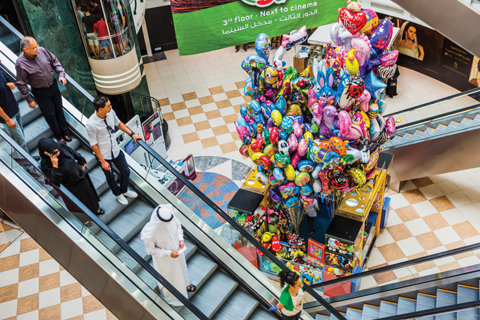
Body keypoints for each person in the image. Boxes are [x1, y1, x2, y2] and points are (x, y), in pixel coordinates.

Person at [15, 36, 72, 144]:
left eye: (36, 46)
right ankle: (58, 136)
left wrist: (61, 74)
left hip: (53, 86)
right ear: (26, 49)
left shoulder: (42, 50)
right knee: (50, 114)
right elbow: (21, 83)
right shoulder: (20, 64)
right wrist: (29, 99)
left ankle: (65, 132)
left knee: (59, 109)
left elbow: (54, 61)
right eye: (34, 48)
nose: (37, 49)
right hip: (40, 91)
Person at [86, 95, 141, 205]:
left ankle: (124, 190)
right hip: (104, 155)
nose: (111, 106)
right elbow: (94, 144)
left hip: (115, 149)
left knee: (125, 171)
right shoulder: (91, 124)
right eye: (108, 105)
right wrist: (102, 161)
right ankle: (117, 194)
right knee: (110, 177)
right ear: (101, 109)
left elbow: (119, 123)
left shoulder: (111, 112)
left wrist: (132, 134)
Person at [38, 138, 104, 224]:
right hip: (70, 186)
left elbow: (72, 152)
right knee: (79, 204)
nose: (58, 153)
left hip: (79, 175)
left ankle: (95, 209)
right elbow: (55, 181)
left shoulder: (60, 146)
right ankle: (85, 220)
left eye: (58, 150)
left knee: (89, 195)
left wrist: (81, 160)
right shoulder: (46, 163)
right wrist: (55, 165)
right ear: (46, 152)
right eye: (54, 152)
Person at [141, 204, 196, 306]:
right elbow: (151, 250)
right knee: (171, 277)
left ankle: (186, 284)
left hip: (178, 253)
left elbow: (178, 225)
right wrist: (168, 253)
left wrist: (181, 239)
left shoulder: (169, 215)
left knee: (182, 270)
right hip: (165, 260)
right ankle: (175, 299)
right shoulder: (150, 232)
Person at [0, 68, 29, 155]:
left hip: (15, 108)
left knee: (21, 137)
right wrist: (8, 119)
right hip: (8, 116)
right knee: (20, 141)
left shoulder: (1, 72)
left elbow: (8, 85)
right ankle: (27, 164)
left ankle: (27, 158)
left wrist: (12, 85)